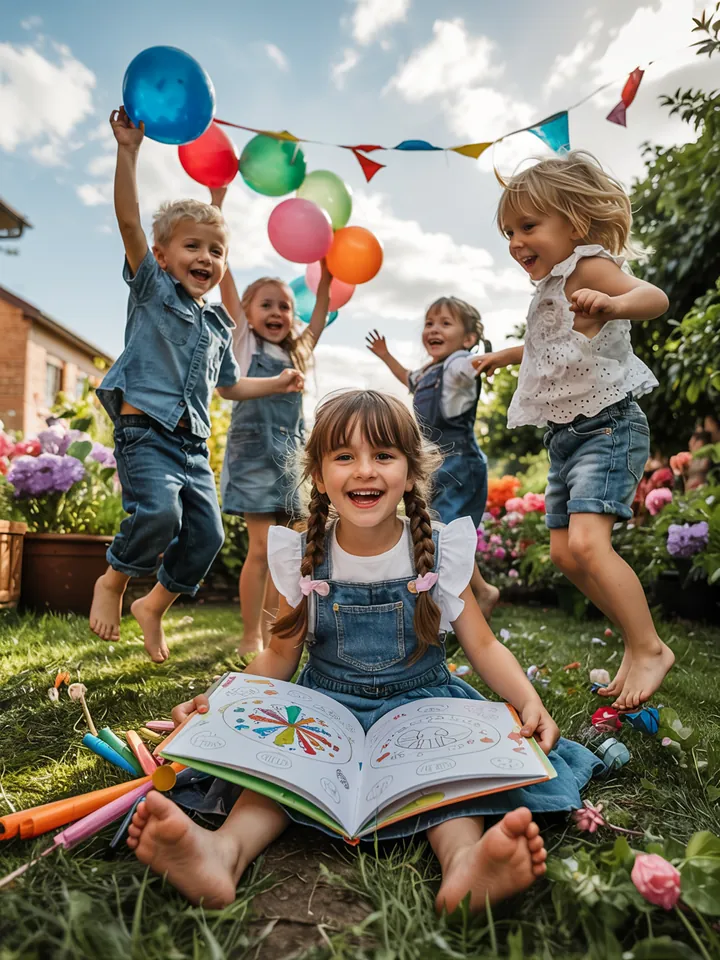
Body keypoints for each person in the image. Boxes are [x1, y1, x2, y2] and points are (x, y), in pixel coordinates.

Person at [127, 390, 602, 913]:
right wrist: (220, 701)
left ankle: (466, 865)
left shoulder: (439, 550)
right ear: (319, 472)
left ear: (410, 468)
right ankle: (223, 853)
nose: (364, 471)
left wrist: (527, 699)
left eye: (383, 455)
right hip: (320, 710)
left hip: (422, 706)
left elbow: (482, 643)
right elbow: (279, 654)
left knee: (446, 776)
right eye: (344, 456)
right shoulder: (303, 552)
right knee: (277, 770)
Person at [90, 108, 303, 663]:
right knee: (161, 515)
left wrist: (278, 382)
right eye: (191, 247)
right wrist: (129, 151)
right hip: (146, 435)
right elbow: (130, 223)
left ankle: (154, 604)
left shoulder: (218, 325)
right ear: (162, 257)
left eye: (215, 250)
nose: (205, 257)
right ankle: (114, 581)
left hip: (191, 447)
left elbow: (229, 389)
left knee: (206, 537)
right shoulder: (151, 290)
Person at [472, 151, 674, 711]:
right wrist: (504, 357)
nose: (516, 241)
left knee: (589, 542)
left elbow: (652, 298)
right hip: (564, 437)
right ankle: (636, 642)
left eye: (528, 227)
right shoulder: (549, 287)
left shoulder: (589, 266)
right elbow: (546, 347)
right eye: (509, 231)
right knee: (565, 555)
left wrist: (612, 304)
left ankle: (649, 646)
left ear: (575, 225)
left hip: (607, 427)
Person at [209, 187, 332, 657]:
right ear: (248, 313)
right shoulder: (245, 344)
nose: (277, 312)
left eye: (284, 305)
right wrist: (217, 208)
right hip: (254, 456)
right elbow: (225, 282)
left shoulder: (295, 352)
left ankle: (278, 630)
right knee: (261, 550)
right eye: (265, 304)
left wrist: (325, 280)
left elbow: (317, 320)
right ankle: (250, 635)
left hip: (290, 459)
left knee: (291, 553)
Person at [366, 298, 499, 619]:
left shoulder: (458, 365)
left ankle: (472, 598)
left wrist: (496, 357)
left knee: (446, 533)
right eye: (429, 323)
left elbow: (475, 365)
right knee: (430, 532)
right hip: (434, 465)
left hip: (459, 463)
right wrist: (386, 356)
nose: (434, 329)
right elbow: (407, 379)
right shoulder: (428, 372)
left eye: (445, 323)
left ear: (468, 339)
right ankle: (469, 594)